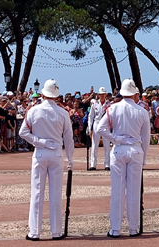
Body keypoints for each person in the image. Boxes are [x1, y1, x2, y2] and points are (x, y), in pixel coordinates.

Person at [19, 79, 74, 241]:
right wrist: (70, 159)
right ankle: (56, 231)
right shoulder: (63, 113)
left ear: (43, 94)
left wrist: (39, 141)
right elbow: (69, 138)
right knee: (56, 193)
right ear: (56, 95)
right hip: (56, 153)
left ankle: (34, 232)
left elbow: (23, 133)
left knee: (37, 193)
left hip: (40, 153)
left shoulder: (33, 110)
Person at [97, 78, 150, 237]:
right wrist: (144, 157)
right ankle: (133, 228)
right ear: (134, 94)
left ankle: (115, 229)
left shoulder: (113, 108)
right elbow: (146, 138)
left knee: (117, 191)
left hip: (119, 149)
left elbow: (100, 128)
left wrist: (115, 139)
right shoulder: (142, 111)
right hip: (135, 149)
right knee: (134, 191)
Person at [87, 87, 112, 171]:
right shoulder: (95, 104)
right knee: (94, 145)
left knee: (106, 145)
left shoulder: (109, 104)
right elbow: (91, 116)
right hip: (97, 123)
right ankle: (93, 165)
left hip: (105, 124)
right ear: (98, 95)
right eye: (100, 94)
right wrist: (90, 128)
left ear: (105, 95)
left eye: (103, 94)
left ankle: (107, 164)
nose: (102, 96)